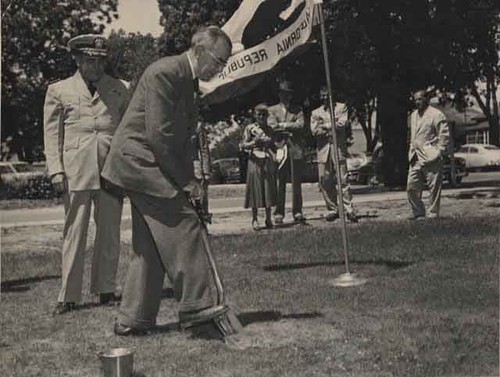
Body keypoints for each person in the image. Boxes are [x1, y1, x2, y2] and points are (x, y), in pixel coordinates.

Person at [101, 26, 235, 336]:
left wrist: (193, 181)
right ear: (198, 50)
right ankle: (199, 310)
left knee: (149, 245)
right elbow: (158, 137)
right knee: (185, 225)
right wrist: (186, 185)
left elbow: (178, 141)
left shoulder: (187, 81)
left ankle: (132, 321)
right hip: (140, 164)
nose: (220, 68)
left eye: (224, 63)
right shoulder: (166, 72)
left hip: (145, 165)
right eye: (218, 60)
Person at [43, 34, 130, 315]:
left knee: (109, 233)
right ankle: (68, 296)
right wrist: (56, 170)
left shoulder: (120, 88)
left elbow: (127, 131)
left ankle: (106, 289)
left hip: (110, 171)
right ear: (77, 60)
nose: (96, 66)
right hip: (76, 171)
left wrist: (127, 167)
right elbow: (52, 135)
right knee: (74, 233)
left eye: (100, 60)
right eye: (90, 60)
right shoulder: (59, 90)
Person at [310, 87, 358, 223]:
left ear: (332, 95)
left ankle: (349, 210)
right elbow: (314, 131)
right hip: (323, 151)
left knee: (343, 180)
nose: (325, 98)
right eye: (322, 96)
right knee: (325, 181)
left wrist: (324, 125)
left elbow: (342, 124)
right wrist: (331, 126)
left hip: (338, 149)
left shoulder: (341, 108)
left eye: (327, 95)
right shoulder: (315, 112)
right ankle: (333, 209)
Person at [268, 80, 306, 224]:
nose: (286, 96)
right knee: (280, 182)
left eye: (288, 94)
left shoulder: (298, 109)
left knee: (296, 183)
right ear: (279, 94)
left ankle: (297, 211)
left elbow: (301, 125)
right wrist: (290, 126)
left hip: (295, 149)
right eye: (283, 93)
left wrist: (283, 125)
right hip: (279, 149)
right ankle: (279, 213)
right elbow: (272, 126)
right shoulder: (272, 110)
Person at [407, 90, 449, 220]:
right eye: (415, 100)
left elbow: (444, 135)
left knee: (434, 188)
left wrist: (438, 152)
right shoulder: (413, 115)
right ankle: (418, 212)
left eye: (419, 99)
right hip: (415, 157)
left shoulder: (437, 114)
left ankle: (433, 214)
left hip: (431, 156)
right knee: (411, 187)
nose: (417, 102)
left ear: (426, 99)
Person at [240, 104, 277, 230]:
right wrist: (254, 142)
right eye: (259, 114)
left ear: (267, 116)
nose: (261, 117)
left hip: (266, 160)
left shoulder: (270, 129)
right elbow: (243, 145)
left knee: (268, 189)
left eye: (263, 114)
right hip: (254, 160)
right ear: (255, 115)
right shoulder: (250, 128)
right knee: (255, 190)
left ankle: (268, 218)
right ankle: (255, 219)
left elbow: (274, 145)